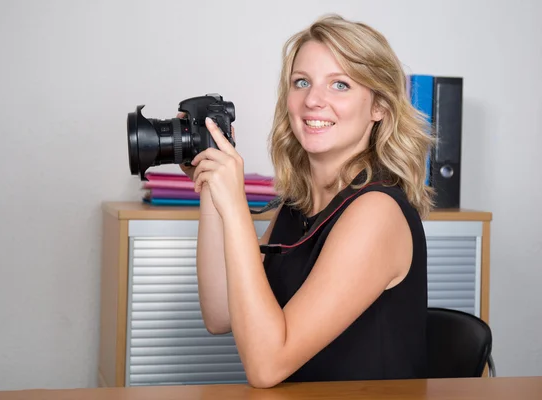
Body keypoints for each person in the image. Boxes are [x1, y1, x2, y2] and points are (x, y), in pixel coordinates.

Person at [179, 13, 435, 388]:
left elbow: (266, 367)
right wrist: (212, 188)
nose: (314, 100)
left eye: (340, 85)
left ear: (379, 107)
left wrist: (236, 204)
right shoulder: (297, 207)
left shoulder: (376, 212)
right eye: (302, 82)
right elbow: (220, 314)